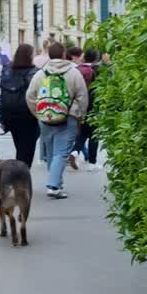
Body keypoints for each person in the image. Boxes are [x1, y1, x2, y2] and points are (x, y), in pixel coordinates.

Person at [27, 42, 89, 199]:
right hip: (68, 117)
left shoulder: (40, 74)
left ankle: (57, 184)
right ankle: (53, 186)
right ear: (64, 55)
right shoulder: (74, 73)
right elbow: (82, 97)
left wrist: (38, 113)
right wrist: (80, 114)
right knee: (61, 153)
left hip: (45, 118)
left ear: (49, 55)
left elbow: (30, 96)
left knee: (52, 152)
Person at [0, 44, 41, 166]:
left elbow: (2, 93)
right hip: (28, 116)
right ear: (29, 55)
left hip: (10, 116)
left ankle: (19, 176)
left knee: (20, 148)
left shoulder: (7, 69)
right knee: (27, 151)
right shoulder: (34, 72)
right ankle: (21, 178)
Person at [77, 47, 101, 170]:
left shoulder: (77, 69)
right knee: (94, 134)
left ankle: (75, 152)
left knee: (83, 132)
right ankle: (92, 162)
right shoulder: (97, 70)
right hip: (93, 105)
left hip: (78, 106)